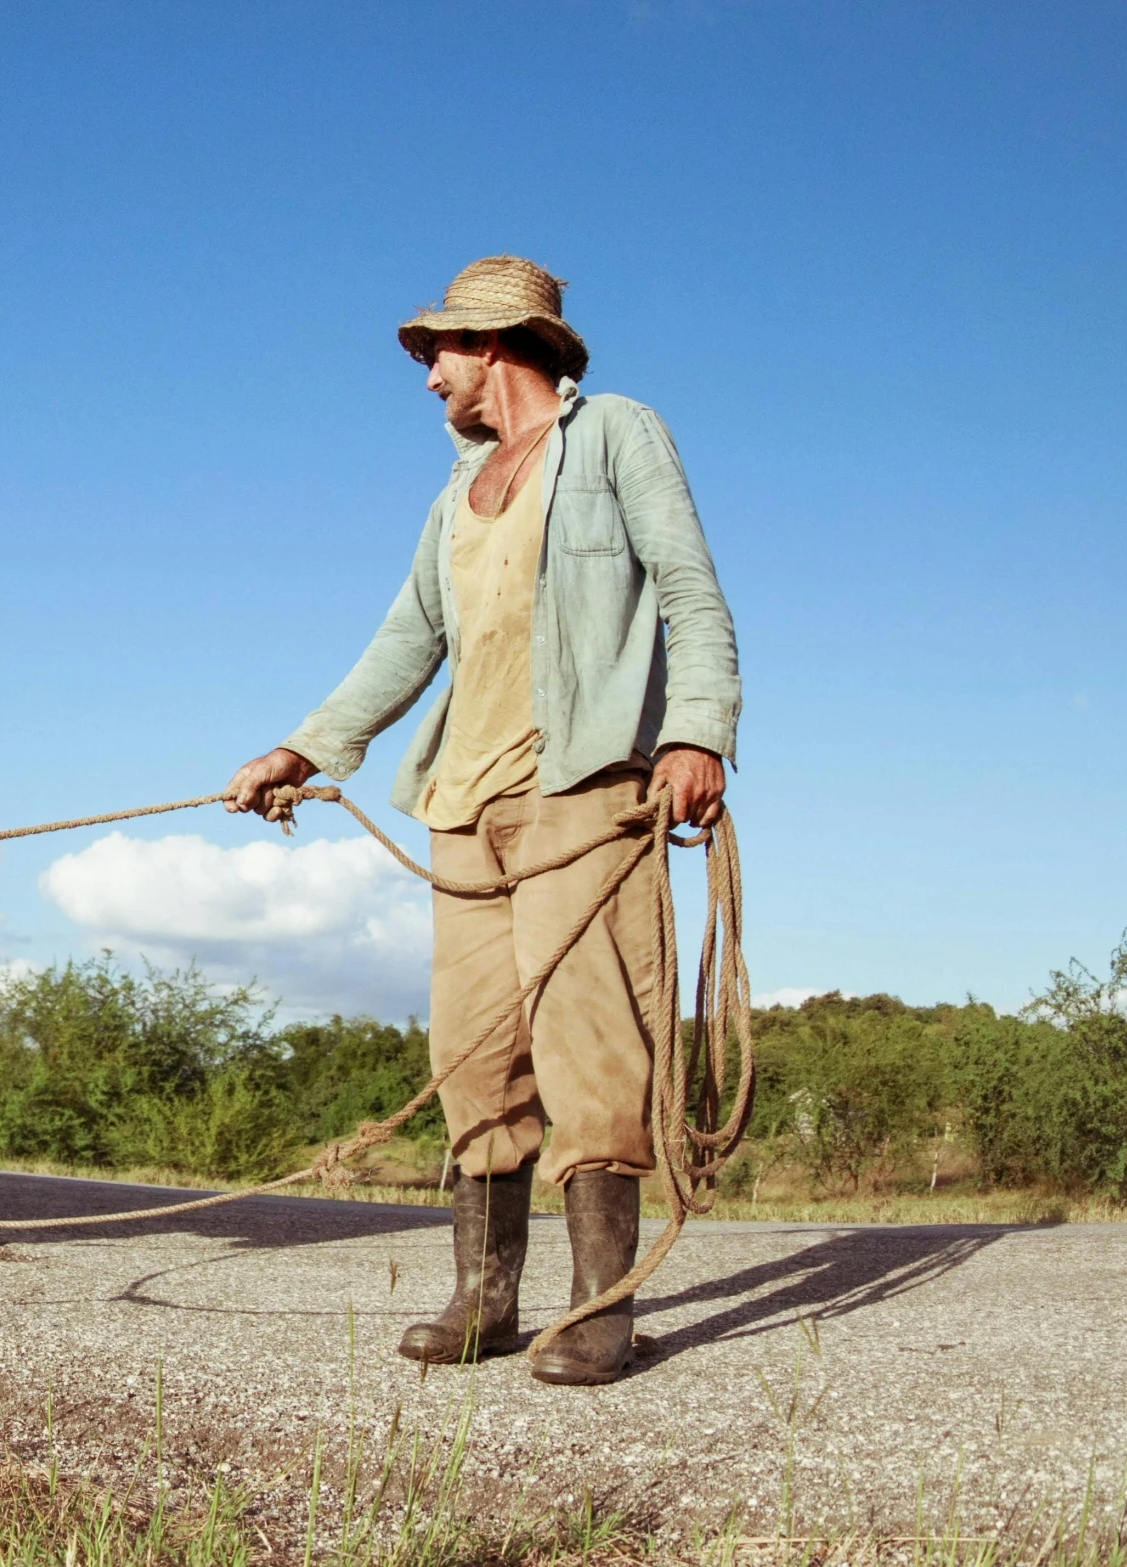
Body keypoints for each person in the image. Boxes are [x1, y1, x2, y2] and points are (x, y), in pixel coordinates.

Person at [223, 255, 740, 1385]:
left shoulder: (613, 436)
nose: (425, 379)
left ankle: (597, 1304)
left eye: (435, 353)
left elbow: (691, 587)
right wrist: (299, 749)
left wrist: (698, 729)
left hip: (584, 787)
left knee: (591, 1042)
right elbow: (405, 643)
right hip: (463, 805)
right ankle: (483, 1298)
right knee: (471, 1054)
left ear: (499, 343)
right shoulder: (452, 496)